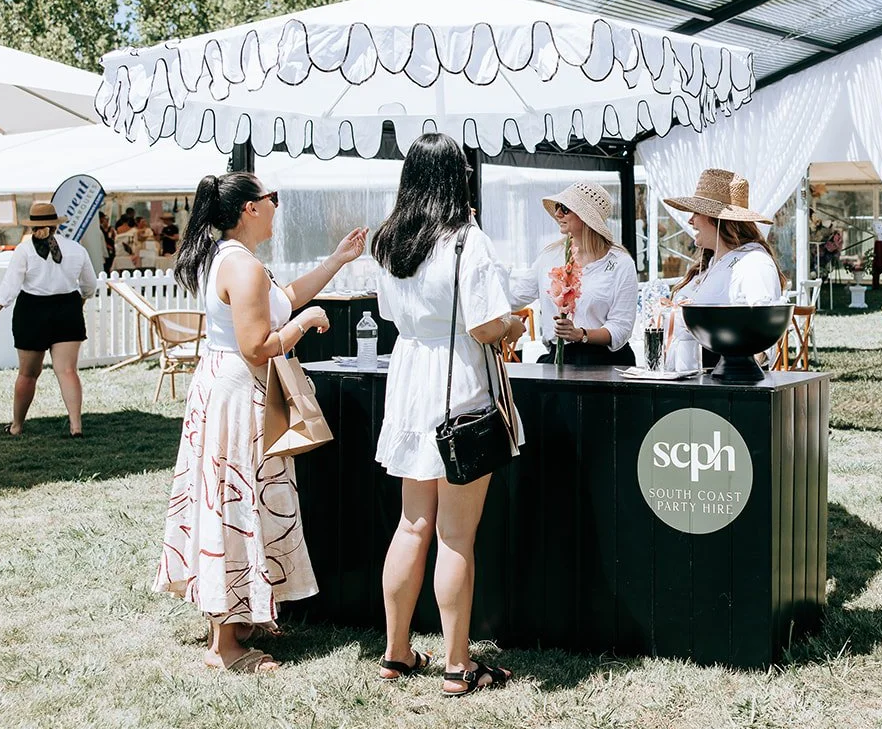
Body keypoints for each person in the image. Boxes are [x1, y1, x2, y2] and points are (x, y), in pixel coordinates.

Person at [153, 172, 367, 673]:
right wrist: (307, 322)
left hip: (224, 387)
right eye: (272, 198)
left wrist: (336, 261)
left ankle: (241, 616)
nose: (277, 205)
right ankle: (225, 647)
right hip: (238, 393)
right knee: (236, 501)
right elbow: (258, 345)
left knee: (232, 497)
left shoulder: (232, 260)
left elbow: (281, 297)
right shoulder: (242, 267)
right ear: (250, 209)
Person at [370, 133, 524, 696]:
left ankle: (396, 651)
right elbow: (486, 326)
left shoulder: (388, 240)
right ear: (457, 177)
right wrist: (514, 325)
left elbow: (390, 314)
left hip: (410, 379)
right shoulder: (466, 239)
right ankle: (459, 665)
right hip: (458, 384)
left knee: (412, 524)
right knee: (456, 535)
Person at [0, 202, 97, 437]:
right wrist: (80, 302)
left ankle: (17, 426)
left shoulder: (24, 251)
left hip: (32, 312)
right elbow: (90, 285)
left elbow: (9, 288)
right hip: (68, 310)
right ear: (55, 224)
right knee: (67, 371)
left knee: (27, 374)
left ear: (33, 226)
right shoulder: (76, 249)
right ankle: (76, 427)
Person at [663, 168, 783, 369]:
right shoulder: (709, 265)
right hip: (690, 377)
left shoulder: (754, 262)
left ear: (716, 219)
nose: (690, 220)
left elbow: (765, 327)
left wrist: (737, 377)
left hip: (721, 381)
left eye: (695, 212)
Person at [509, 182, 638, 366]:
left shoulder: (620, 263)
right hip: (559, 361)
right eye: (557, 207)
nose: (558, 214)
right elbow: (513, 297)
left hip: (604, 364)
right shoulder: (549, 257)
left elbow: (621, 328)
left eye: (565, 208)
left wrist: (581, 334)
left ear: (586, 217)